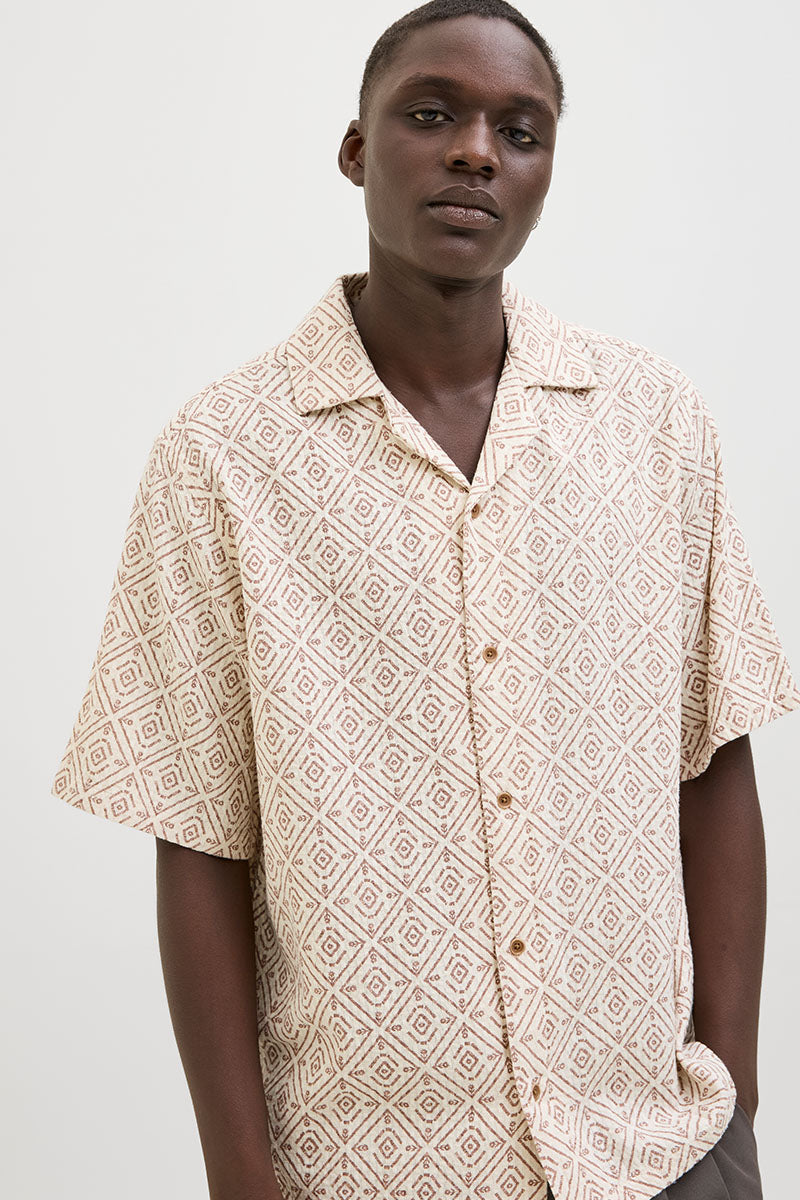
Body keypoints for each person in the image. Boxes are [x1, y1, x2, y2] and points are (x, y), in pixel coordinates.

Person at [51, 2, 800, 1198]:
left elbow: (709, 764)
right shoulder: (222, 459)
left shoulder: (655, 425)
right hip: (367, 1170)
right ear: (355, 150)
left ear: (545, 171)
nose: (474, 153)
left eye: (520, 131)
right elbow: (198, 837)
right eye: (431, 114)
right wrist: (240, 1179)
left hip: (652, 1155)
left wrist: (731, 1100)